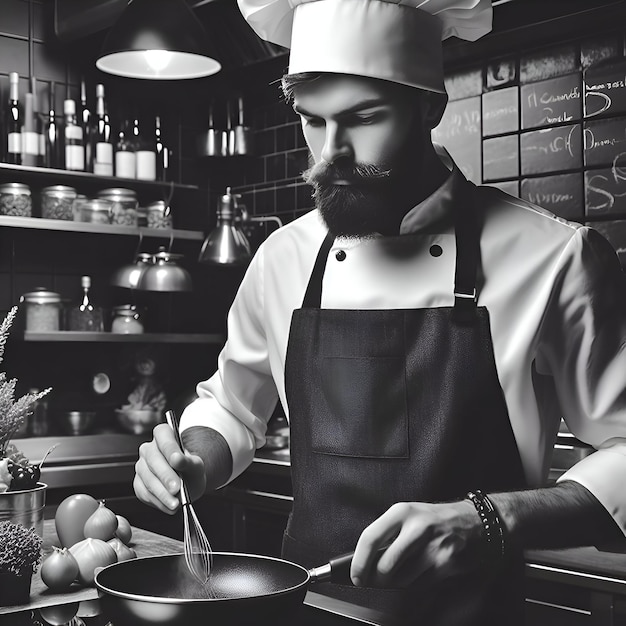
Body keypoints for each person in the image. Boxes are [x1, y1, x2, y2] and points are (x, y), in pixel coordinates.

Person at [133, 0, 626, 623]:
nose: (330, 153)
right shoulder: (284, 257)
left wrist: (489, 518)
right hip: (312, 611)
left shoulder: (555, 257)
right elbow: (231, 406)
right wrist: (194, 461)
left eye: (363, 119)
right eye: (312, 121)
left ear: (430, 107)